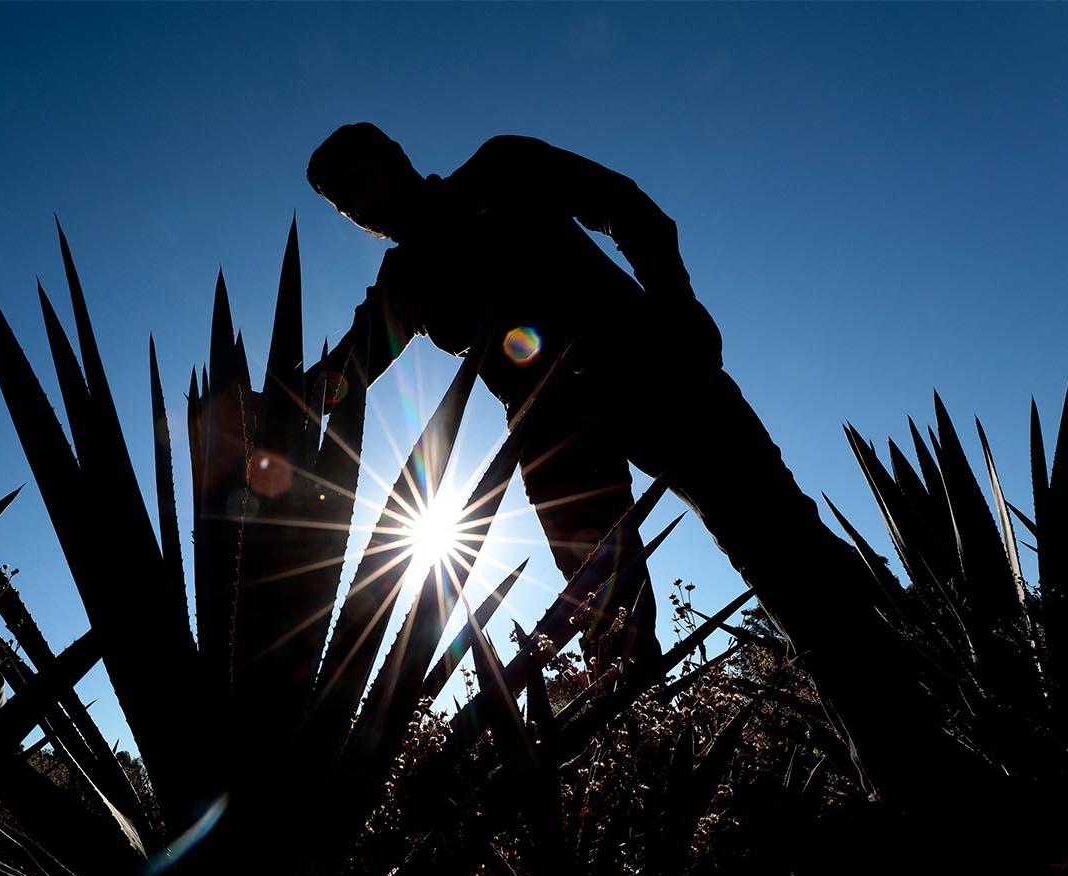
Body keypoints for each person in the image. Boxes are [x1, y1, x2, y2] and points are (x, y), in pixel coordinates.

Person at [304, 123, 939, 803]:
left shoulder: (501, 166)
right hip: (553, 440)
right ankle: (658, 814)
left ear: (394, 158)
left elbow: (630, 209)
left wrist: (677, 306)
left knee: (787, 551)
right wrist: (265, 407)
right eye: (341, 204)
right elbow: (345, 373)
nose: (356, 207)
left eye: (356, 181)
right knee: (611, 635)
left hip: (656, 371)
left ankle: (917, 761)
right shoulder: (407, 280)